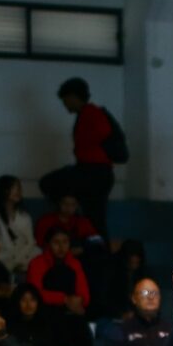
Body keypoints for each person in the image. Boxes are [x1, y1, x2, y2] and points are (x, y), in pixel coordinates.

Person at [43, 77, 120, 231]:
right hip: (96, 173)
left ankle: (67, 212)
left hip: (93, 172)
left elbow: (102, 134)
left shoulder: (91, 113)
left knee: (48, 183)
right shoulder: (88, 114)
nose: (64, 104)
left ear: (72, 97)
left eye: (65, 100)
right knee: (95, 220)